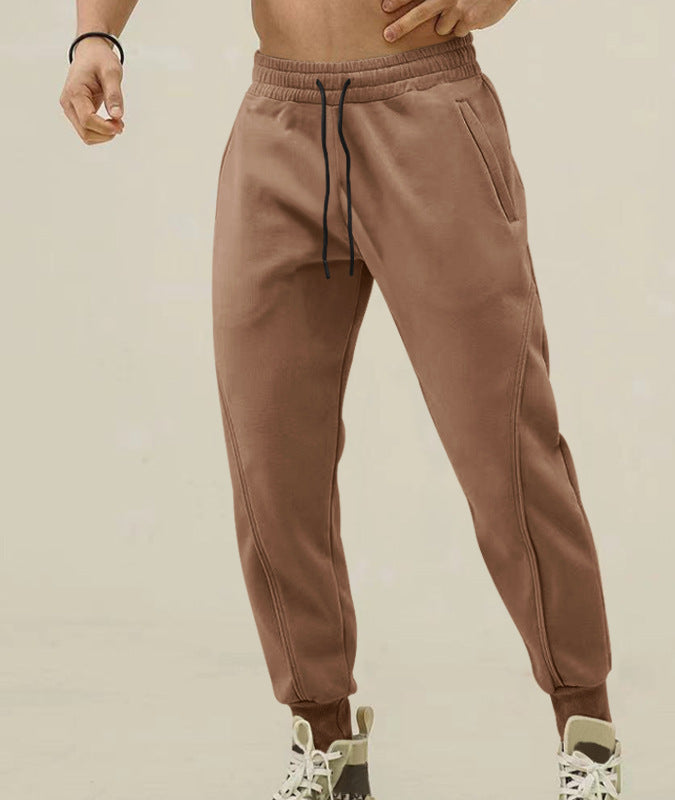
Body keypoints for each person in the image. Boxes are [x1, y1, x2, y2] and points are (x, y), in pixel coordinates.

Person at [60, 1, 624, 797]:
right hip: (278, 125)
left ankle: (587, 734)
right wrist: (95, 34)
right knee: (270, 460)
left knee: (503, 446)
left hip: (426, 110)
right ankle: (324, 742)